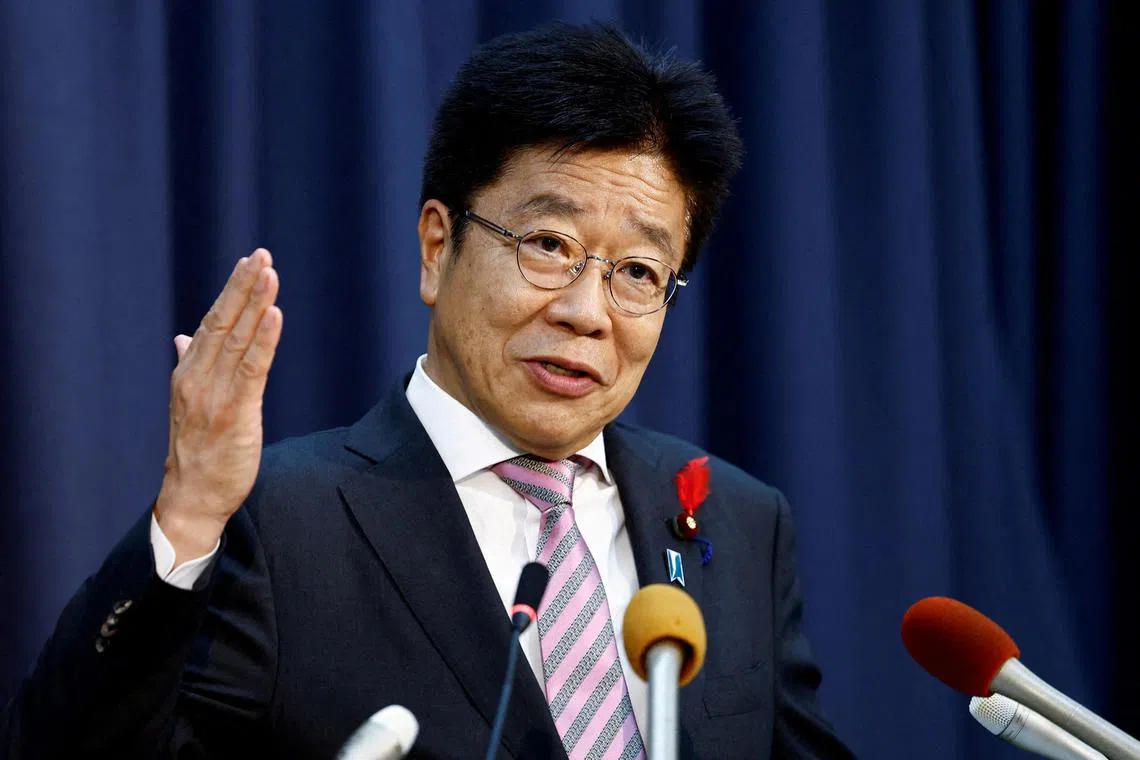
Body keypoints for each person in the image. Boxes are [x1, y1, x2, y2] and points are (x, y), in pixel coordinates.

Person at [1, 22, 853, 760]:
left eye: (637, 271)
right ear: (437, 247)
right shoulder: (278, 522)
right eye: (549, 244)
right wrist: (187, 518)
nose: (587, 312)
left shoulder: (739, 524)